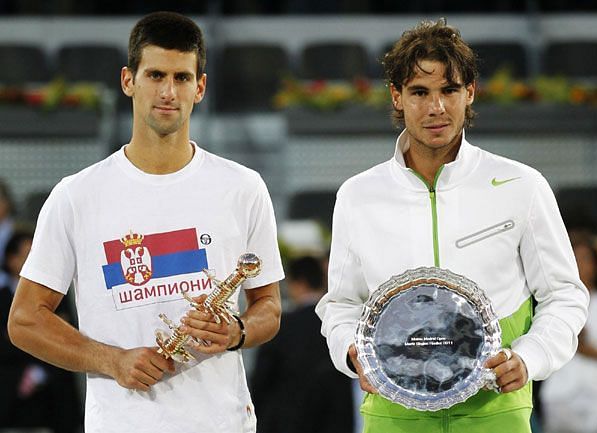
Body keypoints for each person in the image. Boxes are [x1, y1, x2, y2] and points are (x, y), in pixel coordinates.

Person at [8, 11, 284, 433]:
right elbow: (25, 319)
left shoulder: (243, 188)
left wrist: (237, 331)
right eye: (155, 75)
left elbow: (269, 308)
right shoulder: (76, 196)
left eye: (182, 78)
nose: (168, 92)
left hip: (222, 423)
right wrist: (112, 360)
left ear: (200, 87)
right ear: (128, 80)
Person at [315, 18, 589, 433]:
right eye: (420, 92)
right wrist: (352, 354)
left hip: (495, 410)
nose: (436, 107)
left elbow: (565, 294)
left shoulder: (522, 185)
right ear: (396, 96)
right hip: (393, 413)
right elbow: (340, 305)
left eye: (449, 90)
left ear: (470, 92)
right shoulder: (358, 195)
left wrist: (530, 357)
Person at [251, 255, 354, 433]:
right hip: (335, 420)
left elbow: (262, 378)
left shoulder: (282, 326)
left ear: (297, 282)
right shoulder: (339, 328)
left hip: (287, 421)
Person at [1, 230, 83, 433]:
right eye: (27, 254)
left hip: (56, 394)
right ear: (11, 259)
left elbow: (68, 336)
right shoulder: (1, 299)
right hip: (12, 397)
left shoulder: (57, 296)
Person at [540, 230, 597, 433]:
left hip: (594, 397)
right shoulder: (552, 303)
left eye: (586, 259)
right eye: (575, 258)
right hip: (559, 396)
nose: (582, 265)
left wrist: (584, 348)